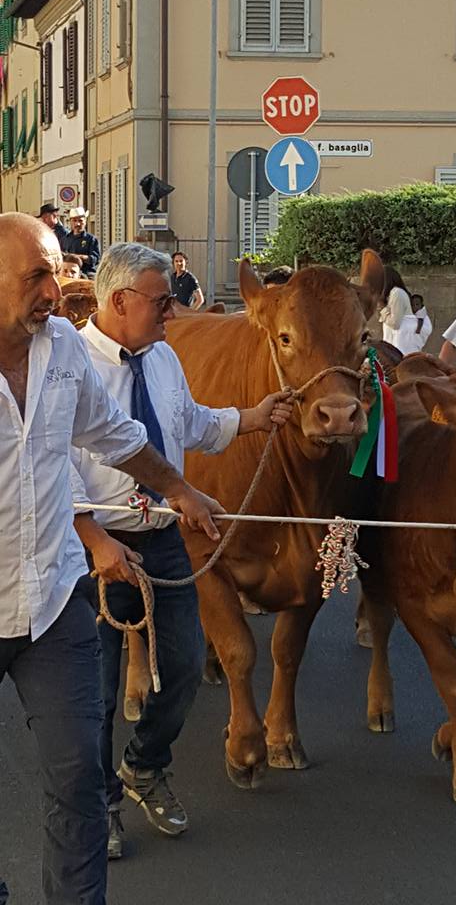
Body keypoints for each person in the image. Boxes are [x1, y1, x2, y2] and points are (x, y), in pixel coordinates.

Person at [0, 212, 229, 905]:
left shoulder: (62, 347)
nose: (55, 290)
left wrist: (181, 487)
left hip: (52, 602)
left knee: (77, 781)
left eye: (58, 270)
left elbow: (112, 435)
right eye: (36, 276)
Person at [70, 242, 294, 861]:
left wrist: (252, 417)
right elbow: (50, 461)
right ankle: (102, 804)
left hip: (162, 537)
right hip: (93, 547)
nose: (173, 312)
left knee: (187, 664)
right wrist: (95, 540)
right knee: (94, 691)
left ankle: (144, 766)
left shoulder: (163, 358)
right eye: (161, 301)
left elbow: (188, 422)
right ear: (120, 301)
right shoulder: (70, 364)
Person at [378, 266, 413, 350]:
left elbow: (395, 324)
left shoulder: (397, 293)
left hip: (400, 345)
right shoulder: (392, 294)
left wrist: (383, 308)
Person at [61, 206, 101, 277]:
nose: (77, 224)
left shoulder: (91, 239)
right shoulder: (65, 239)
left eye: (80, 221)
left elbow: (95, 259)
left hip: (86, 273)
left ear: (85, 221)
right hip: (67, 274)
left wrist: (80, 257)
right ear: (70, 221)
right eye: (74, 221)